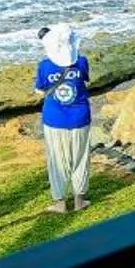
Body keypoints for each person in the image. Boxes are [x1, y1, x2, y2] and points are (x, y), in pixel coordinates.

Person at [34, 24, 92, 212]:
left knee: (57, 160)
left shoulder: (44, 66)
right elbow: (84, 80)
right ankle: (79, 200)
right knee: (80, 157)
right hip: (80, 117)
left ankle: (60, 203)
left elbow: (39, 90)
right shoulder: (81, 62)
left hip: (54, 118)